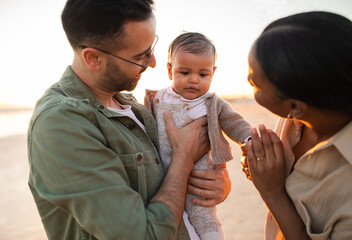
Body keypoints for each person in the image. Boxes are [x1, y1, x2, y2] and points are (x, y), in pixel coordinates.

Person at [27, 1, 231, 239]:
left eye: (151, 46)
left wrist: (216, 184)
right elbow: (141, 235)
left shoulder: (133, 105)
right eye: (141, 55)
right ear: (93, 58)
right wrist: (184, 158)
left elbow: (169, 173)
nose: (153, 62)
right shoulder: (61, 122)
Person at [242, 11, 352, 239]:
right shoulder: (299, 117)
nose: (248, 80)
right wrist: (263, 169)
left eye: (256, 82)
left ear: (295, 105)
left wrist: (273, 193)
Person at [144, 32, 252, 240]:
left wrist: (248, 139)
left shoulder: (211, 103)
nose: (194, 80)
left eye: (203, 75)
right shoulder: (157, 98)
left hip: (199, 174)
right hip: (162, 173)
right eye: (184, 72)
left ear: (213, 72)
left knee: (202, 213)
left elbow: (234, 121)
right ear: (169, 70)